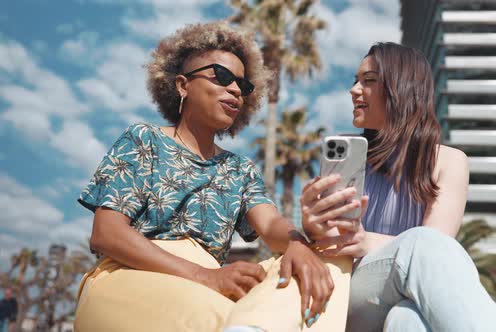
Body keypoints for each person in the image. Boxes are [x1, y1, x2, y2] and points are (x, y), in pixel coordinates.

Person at [73, 21, 352, 332]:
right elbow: (106, 234)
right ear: (182, 85)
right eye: (222, 77)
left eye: (243, 86)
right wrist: (205, 276)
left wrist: (298, 245)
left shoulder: (240, 169)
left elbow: (272, 224)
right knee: (224, 316)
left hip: (207, 287)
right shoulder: (143, 140)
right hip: (129, 278)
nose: (235, 89)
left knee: (326, 260)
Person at [300, 42, 496, 332]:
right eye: (355, 81)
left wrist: (367, 241)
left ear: (402, 88)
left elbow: (437, 244)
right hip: (350, 291)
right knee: (423, 248)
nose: (353, 90)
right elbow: (422, 248)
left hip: (407, 294)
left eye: (368, 81)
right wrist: (313, 226)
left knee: (407, 318)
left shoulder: (449, 161)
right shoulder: (350, 156)